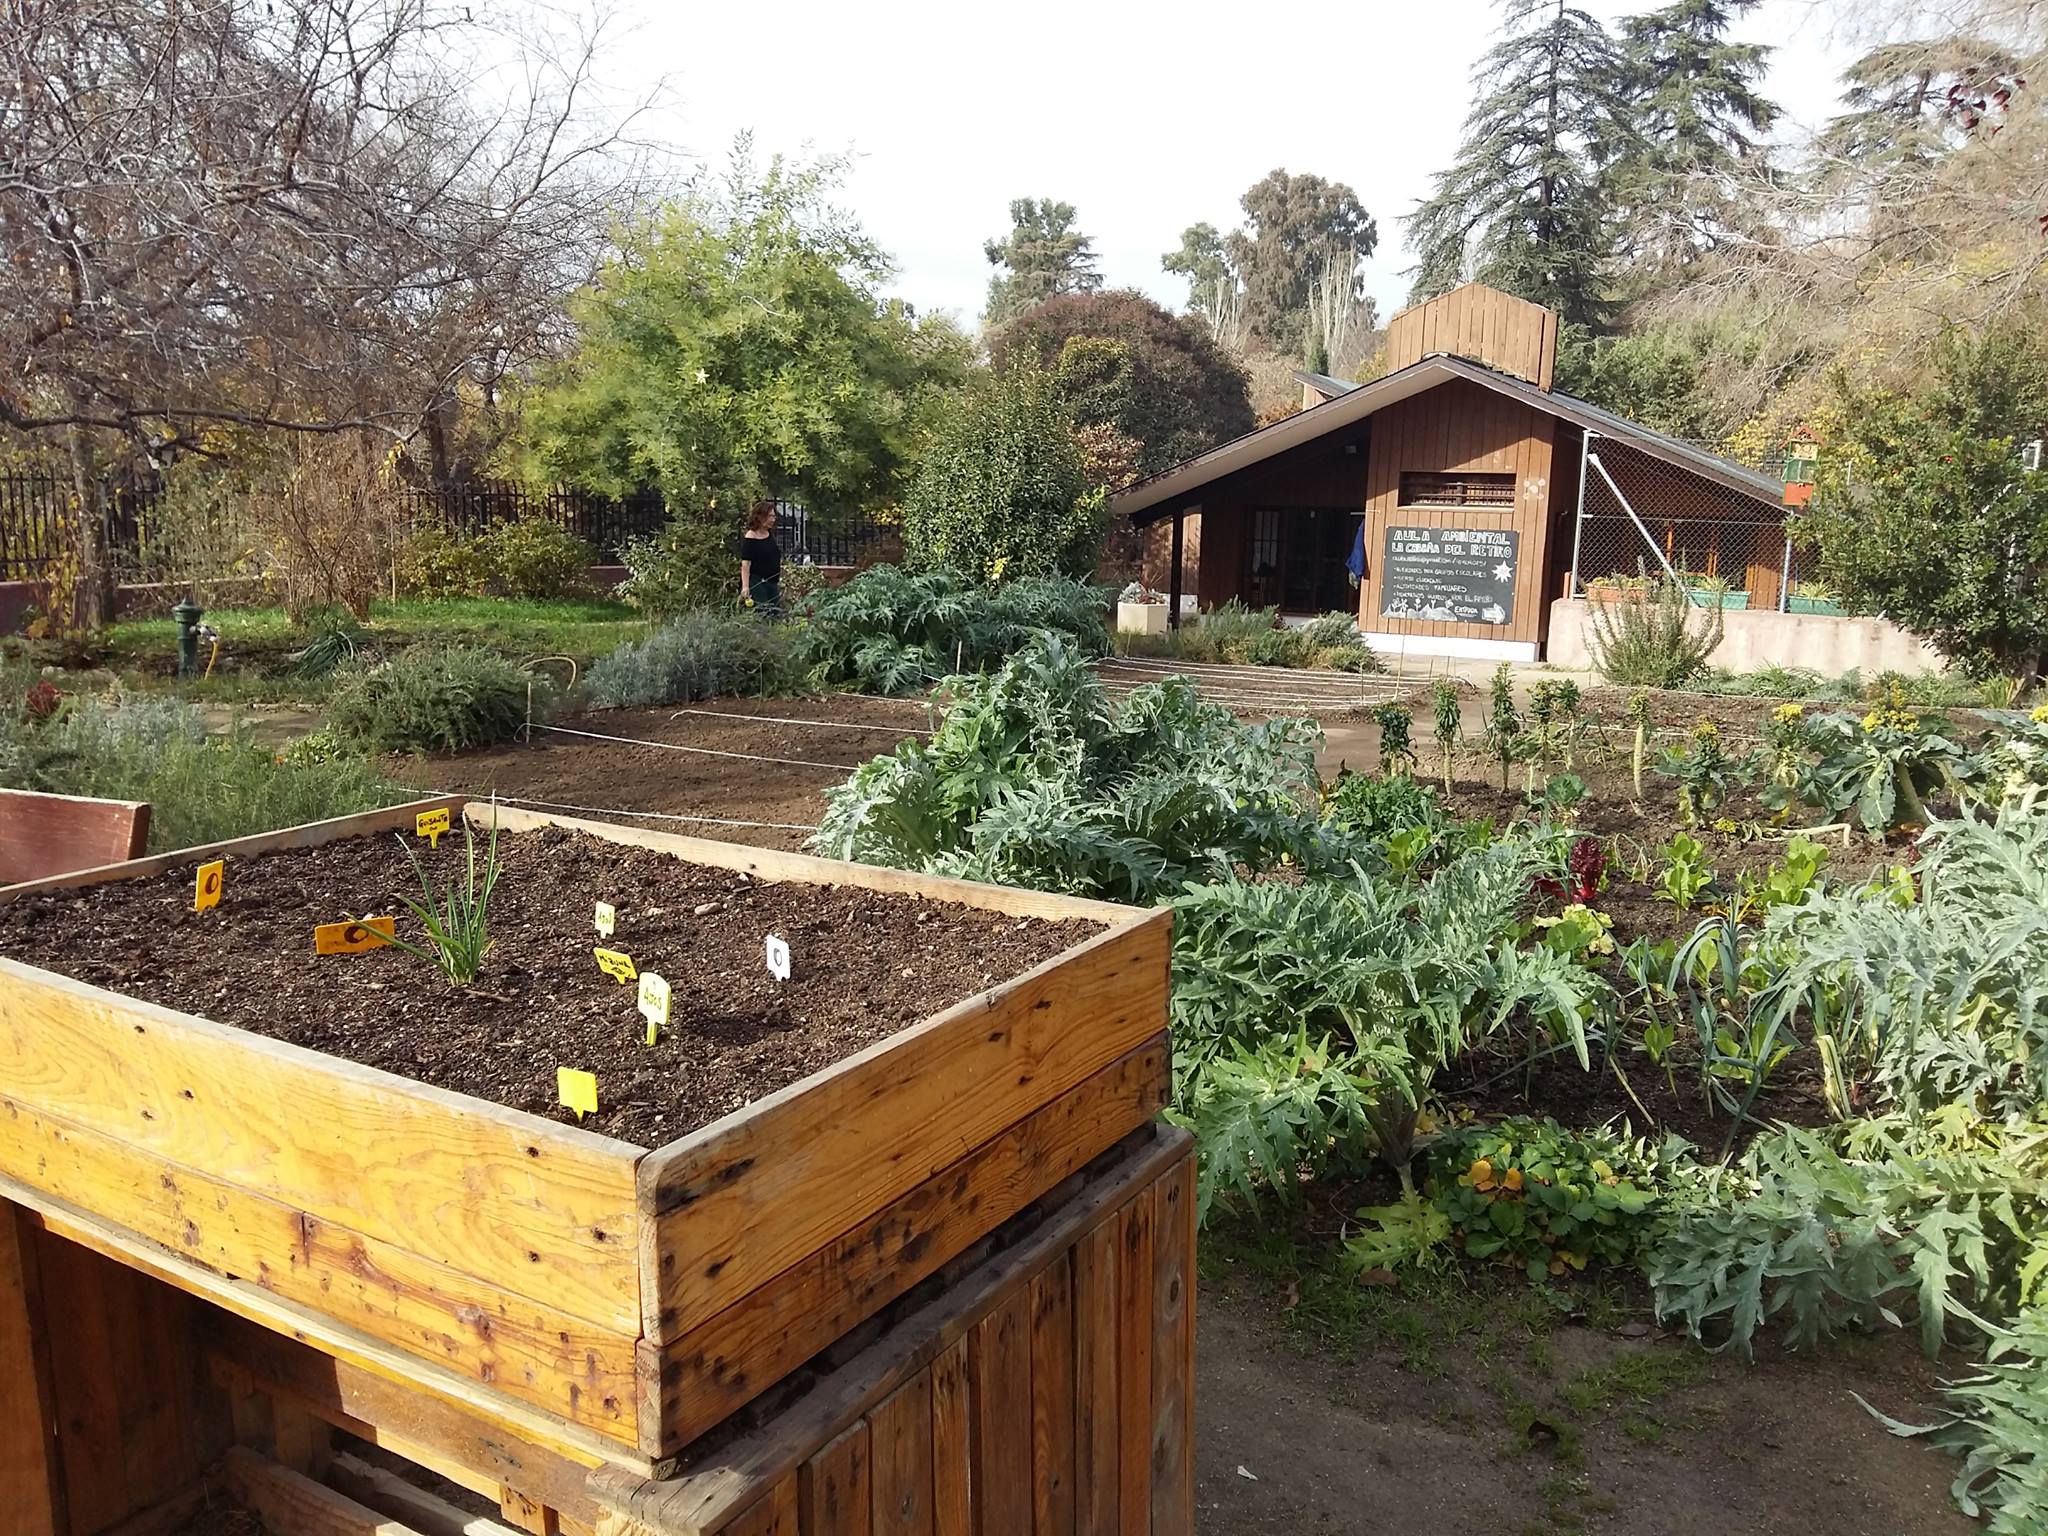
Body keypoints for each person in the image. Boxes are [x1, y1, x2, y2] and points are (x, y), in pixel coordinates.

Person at [738, 499, 781, 614]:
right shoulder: (751, 537)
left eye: (774, 516)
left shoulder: (769, 534)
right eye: (770, 516)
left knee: (775, 614)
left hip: (772, 582)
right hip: (758, 583)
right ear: (760, 517)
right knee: (763, 614)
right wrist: (745, 587)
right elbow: (746, 564)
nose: (773, 519)